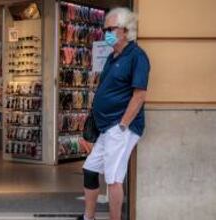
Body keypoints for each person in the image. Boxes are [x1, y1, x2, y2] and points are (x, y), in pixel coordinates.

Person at [78, 7, 150, 220]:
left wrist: (122, 125)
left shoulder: (137, 56)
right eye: (105, 29)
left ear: (126, 30)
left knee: (113, 179)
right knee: (90, 170)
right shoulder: (112, 57)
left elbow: (139, 95)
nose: (106, 33)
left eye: (111, 28)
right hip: (105, 127)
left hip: (120, 127)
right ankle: (88, 217)